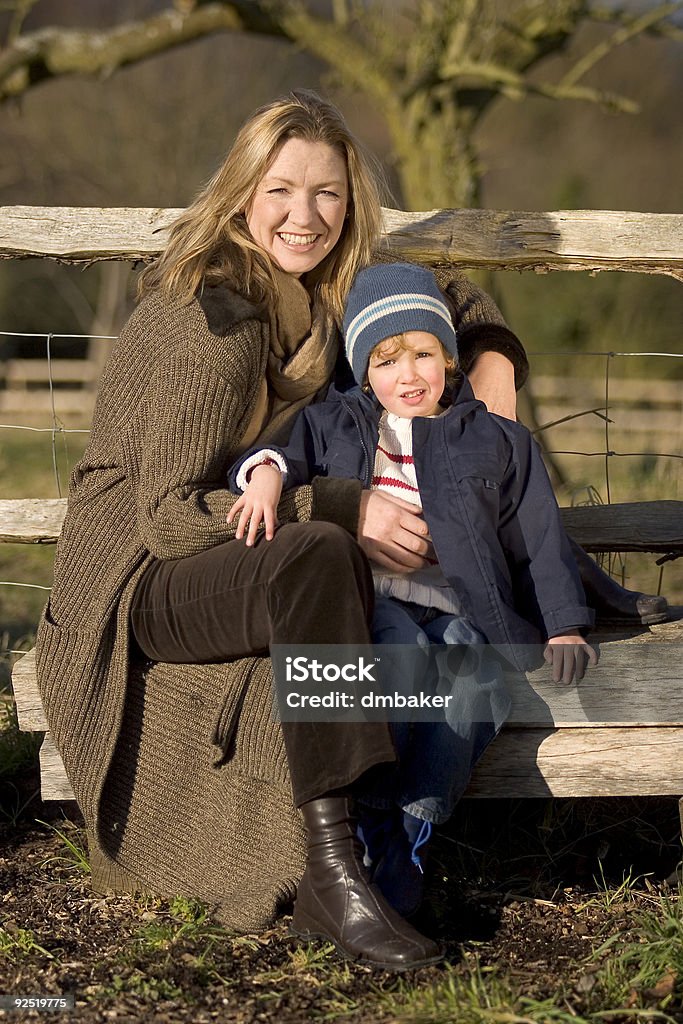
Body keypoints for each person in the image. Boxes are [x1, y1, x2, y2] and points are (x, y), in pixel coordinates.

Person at [34, 88, 663, 968]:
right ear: (242, 193)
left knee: (401, 631)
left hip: (249, 552)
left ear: (351, 203)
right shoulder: (209, 322)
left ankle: (370, 855)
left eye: (327, 193)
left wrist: (486, 354)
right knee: (323, 552)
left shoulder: (323, 298)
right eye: (281, 189)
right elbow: (169, 518)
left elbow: (441, 292)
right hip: (145, 581)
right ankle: (337, 871)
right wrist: (340, 505)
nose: (304, 214)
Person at [227, 261, 599, 918]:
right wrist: (263, 478)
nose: (407, 374)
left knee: (476, 686)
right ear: (362, 371)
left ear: (450, 361)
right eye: (386, 359)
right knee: (394, 674)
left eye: (424, 354)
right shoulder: (332, 422)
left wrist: (563, 623)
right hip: (376, 602)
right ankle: (376, 836)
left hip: (464, 608)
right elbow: (278, 454)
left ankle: (409, 831)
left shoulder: (497, 440)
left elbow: (538, 540)